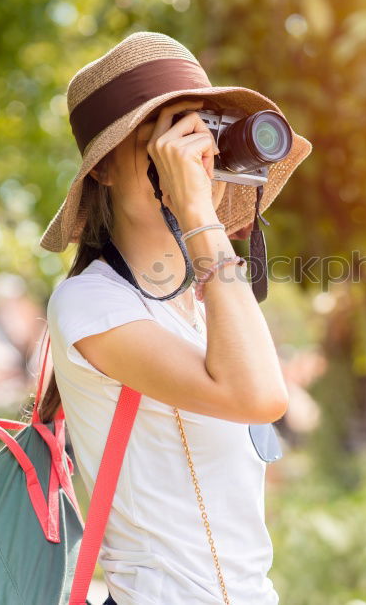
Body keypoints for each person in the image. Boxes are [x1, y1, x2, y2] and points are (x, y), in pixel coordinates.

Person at [35, 32, 312, 604]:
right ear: (104, 170)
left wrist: (202, 224)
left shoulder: (207, 304)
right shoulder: (90, 304)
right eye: (162, 137)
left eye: (199, 131)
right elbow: (258, 396)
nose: (190, 154)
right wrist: (197, 213)